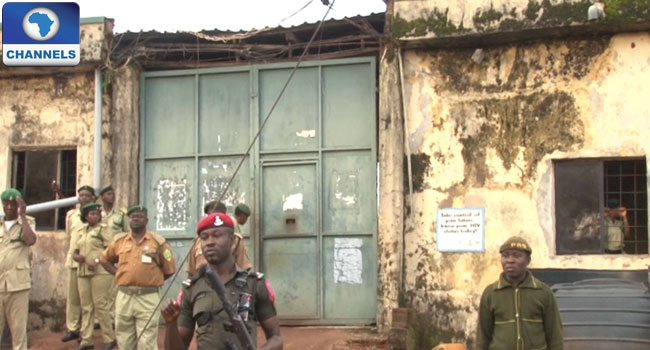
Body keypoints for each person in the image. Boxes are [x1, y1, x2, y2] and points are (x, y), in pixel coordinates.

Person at [161, 212, 283, 350]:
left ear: (231, 240)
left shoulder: (255, 284)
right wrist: (170, 324)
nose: (210, 242)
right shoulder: (191, 289)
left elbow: (276, 338)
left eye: (217, 235)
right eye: (204, 238)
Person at [100, 205, 176, 350]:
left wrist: (152, 279)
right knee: (124, 340)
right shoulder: (119, 241)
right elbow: (104, 260)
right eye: (133, 216)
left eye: (139, 216)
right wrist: (119, 274)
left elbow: (169, 269)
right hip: (124, 296)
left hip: (148, 298)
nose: (135, 219)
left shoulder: (158, 242)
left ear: (146, 220)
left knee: (146, 342)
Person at [476, 236, 564, 350]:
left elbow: (555, 336)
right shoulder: (491, 293)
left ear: (528, 260)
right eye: (505, 255)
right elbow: (483, 337)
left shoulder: (543, 292)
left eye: (516, 255)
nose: (510, 260)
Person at [73, 203, 116, 350]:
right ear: (86, 216)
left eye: (97, 214)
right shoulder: (81, 231)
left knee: (100, 305)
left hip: (100, 271)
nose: (95, 216)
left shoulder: (104, 230)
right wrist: (77, 257)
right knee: (86, 306)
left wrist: (97, 261)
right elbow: (75, 251)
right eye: (92, 214)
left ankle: (109, 338)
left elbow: (111, 251)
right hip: (83, 271)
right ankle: (86, 340)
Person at [0, 189, 37, 350]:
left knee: (18, 333)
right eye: (6, 203)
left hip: (18, 285)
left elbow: (30, 240)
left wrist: (22, 216)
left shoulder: (27, 222)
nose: (9, 207)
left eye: (13, 204)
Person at [62, 185, 97, 343]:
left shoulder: (96, 215)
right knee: (73, 298)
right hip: (73, 261)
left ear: (92, 198)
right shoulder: (71, 215)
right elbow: (69, 236)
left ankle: (85, 331)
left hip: (89, 263)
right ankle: (73, 328)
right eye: (81, 195)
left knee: (87, 300)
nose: (84, 198)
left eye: (87, 196)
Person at [98, 185, 128, 323]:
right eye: (109, 194)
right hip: (101, 255)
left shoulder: (120, 215)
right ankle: (101, 320)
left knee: (115, 288)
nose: (112, 196)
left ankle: (114, 319)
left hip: (117, 255)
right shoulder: (97, 214)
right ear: (102, 196)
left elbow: (127, 233)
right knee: (101, 291)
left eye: (113, 194)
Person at [233, 203, 253, 270]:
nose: (246, 220)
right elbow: (237, 246)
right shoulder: (233, 224)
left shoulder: (233, 223)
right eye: (246, 217)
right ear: (241, 216)